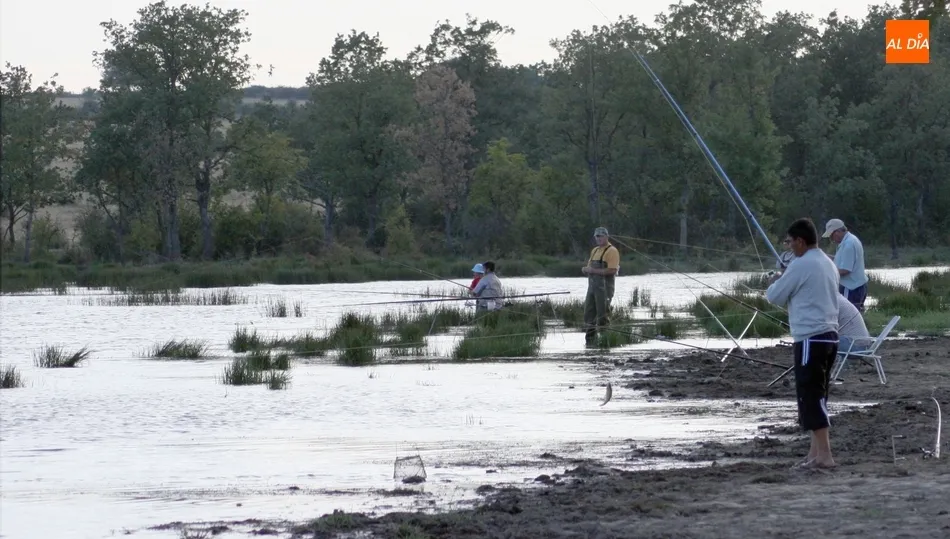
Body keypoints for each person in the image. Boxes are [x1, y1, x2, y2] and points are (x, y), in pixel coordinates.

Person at [766, 218, 840, 470]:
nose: (788, 247)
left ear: (800, 241)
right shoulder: (827, 263)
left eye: (789, 242)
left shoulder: (802, 264)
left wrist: (778, 278)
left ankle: (826, 456)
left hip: (811, 337)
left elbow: (774, 296)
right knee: (818, 395)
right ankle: (814, 454)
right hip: (830, 336)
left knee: (810, 395)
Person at [582, 227, 620, 345]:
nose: (598, 238)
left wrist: (592, 270)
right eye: (596, 236)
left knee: (603, 315)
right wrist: (585, 270)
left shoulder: (612, 251)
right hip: (592, 288)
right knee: (588, 314)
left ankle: (605, 341)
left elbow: (612, 270)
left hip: (605, 289)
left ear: (606, 236)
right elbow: (590, 268)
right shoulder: (594, 250)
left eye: (601, 236)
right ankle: (590, 342)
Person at [823, 218, 868, 312]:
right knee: (854, 317)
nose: (831, 239)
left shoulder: (849, 245)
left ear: (837, 232)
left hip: (851, 288)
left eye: (831, 236)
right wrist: (822, 256)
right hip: (856, 286)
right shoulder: (849, 240)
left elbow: (845, 270)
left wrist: (825, 273)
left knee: (848, 318)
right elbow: (841, 260)